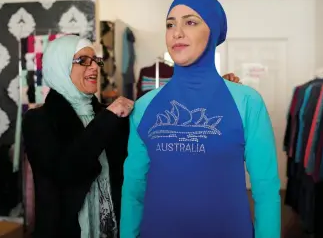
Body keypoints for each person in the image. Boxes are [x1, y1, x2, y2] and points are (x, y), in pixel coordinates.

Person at [22, 34, 240, 237]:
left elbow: (165, 127)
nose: (95, 67)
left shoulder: (108, 116)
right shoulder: (38, 120)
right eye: (83, 60)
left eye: (96, 61)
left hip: (113, 228)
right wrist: (107, 118)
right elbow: (64, 171)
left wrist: (211, 92)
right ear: (58, 65)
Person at [120, 0, 280, 238]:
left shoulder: (247, 102)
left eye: (190, 22)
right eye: (170, 24)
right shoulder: (144, 106)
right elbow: (133, 190)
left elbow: (266, 189)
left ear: (213, 30)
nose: (177, 32)